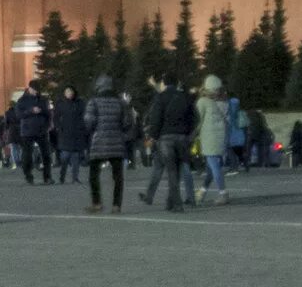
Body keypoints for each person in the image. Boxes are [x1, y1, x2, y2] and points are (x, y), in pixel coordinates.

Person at [140, 78, 197, 210]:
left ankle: (175, 203)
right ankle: (171, 201)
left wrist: (153, 137)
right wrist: (188, 134)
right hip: (182, 138)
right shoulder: (185, 97)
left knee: (169, 171)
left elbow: (156, 118)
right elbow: (193, 117)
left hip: (165, 139)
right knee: (177, 170)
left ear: (164, 83)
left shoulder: (161, 97)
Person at [82, 75, 132, 212]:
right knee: (118, 176)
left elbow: (89, 122)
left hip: (98, 142)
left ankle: (97, 203)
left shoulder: (94, 102)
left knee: (93, 174)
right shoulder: (120, 102)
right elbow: (127, 122)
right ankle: (116, 205)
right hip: (116, 142)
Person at [195, 74, 232, 205]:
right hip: (222, 137)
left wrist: (192, 134)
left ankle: (223, 193)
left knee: (213, 166)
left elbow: (198, 121)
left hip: (209, 137)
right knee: (211, 167)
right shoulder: (224, 102)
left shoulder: (203, 102)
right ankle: (202, 191)